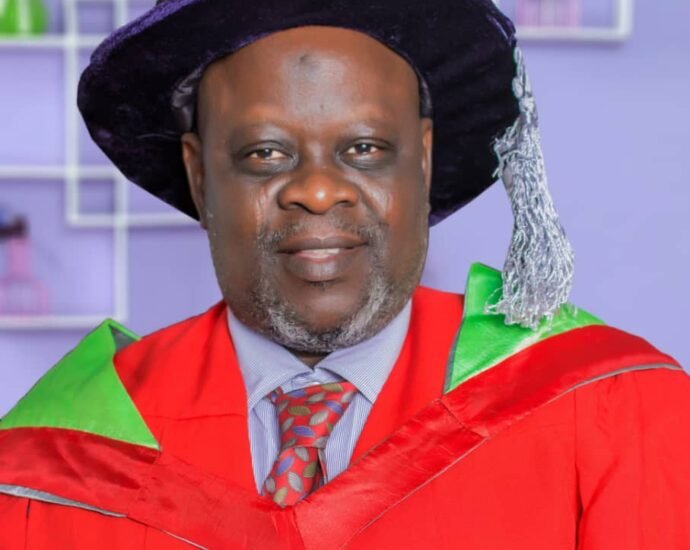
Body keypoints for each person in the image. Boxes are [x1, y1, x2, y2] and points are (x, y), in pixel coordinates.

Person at [1, 1, 689, 548]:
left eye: (364, 147)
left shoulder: (608, 414)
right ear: (199, 175)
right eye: (265, 153)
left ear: (422, 160)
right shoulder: (54, 467)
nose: (319, 190)